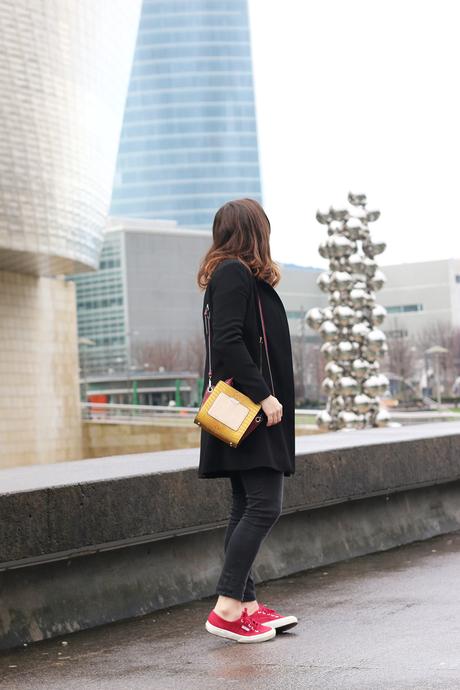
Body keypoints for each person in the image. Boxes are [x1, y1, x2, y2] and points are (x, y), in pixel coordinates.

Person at [196, 198, 297, 643]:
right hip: (252, 413)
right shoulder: (234, 273)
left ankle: (248, 606)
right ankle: (226, 608)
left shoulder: (236, 276)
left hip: (247, 412)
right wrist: (265, 395)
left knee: (245, 507)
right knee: (264, 506)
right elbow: (228, 342)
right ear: (256, 231)